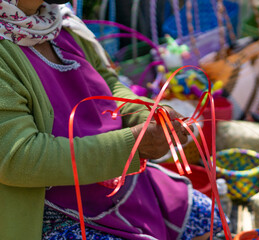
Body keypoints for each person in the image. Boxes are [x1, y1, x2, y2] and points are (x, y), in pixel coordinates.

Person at [0, 0, 228, 239]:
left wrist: (146, 113)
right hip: (48, 207)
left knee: (208, 219)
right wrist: (131, 146)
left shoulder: (57, 22)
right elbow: (19, 157)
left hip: (115, 179)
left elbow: (108, 84)